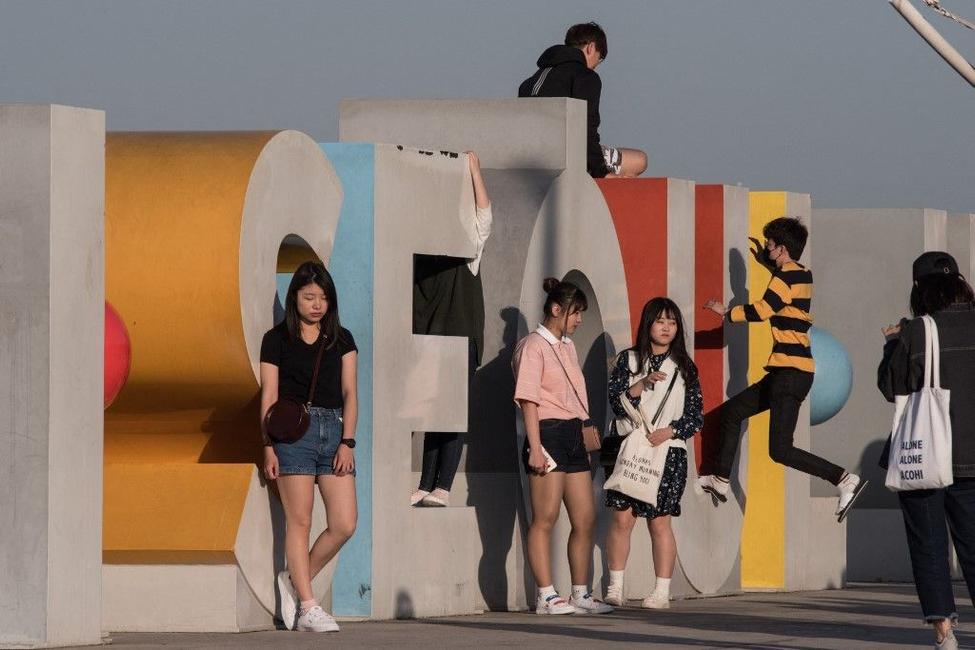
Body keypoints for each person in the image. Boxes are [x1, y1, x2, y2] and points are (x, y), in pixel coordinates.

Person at [697, 217, 865, 521]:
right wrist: (769, 265)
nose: (767, 250)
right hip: (787, 373)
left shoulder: (783, 278)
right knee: (732, 412)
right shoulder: (803, 275)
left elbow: (762, 310)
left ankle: (843, 479)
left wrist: (725, 312)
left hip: (789, 373)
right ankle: (721, 480)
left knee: (781, 450)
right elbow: (783, 289)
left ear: (782, 249)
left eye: (771, 246)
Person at [878, 252, 975, 650]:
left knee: (929, 545)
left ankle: (944, 633)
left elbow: (891, 388)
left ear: (919, 288)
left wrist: (891, 344)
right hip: (972, 457)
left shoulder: (918, 331)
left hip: (924, 456)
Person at [260, 262, 358, 633]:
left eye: (323, 298)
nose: (317, 304)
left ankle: (294, 580)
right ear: (295, 298)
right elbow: (269, 395)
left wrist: (347, 441)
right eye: (309, 297)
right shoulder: (276, 339)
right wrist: (267, 445)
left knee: (344, 523)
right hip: (292, 435)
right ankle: (308, 605)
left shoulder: (342, 339)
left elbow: (350, 393)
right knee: (299, 521)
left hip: (334, 432)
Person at [512, 278, 613, 615]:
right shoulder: (532, 346)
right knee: (546, 517)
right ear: (556, 309)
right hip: (547, 432)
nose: (579, 319)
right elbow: (528, 400)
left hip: (572, 434)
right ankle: (545, 595)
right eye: (575, 313)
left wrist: (582, 432)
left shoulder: (566, 346)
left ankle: (580, 593)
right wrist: (536, 448)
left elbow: (575, 396)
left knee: (585, 517)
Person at [603, 298, 703, 609]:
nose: (666, 328)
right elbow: (615, 402)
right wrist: (640, 385)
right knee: (622, 520)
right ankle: (615, 587)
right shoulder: (628, 361)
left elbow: (695, 415)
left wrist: (670, 431)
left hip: (668, 452)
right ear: (648, 324)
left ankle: (661, 591)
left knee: (659, 523)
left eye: (672, 322)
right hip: (630, 447)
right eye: (660, 321)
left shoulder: (685, 367)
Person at [410, 151, 493, 507]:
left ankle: (443, 484)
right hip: (425, 343)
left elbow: (483, 217)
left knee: (451, 413)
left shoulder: (467, 252)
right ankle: (426, 482)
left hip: (459, 342)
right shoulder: (416, 254)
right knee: (429, 411)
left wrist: (473, 170)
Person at [518, 22, 648, 179]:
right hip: (568, 153)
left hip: (529, 157)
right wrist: (602, 173)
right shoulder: (585, 77)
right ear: (591, 48)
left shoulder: (530, 81)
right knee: (639, 160)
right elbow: (586, 128)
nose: (596, 66)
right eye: (599, 59)